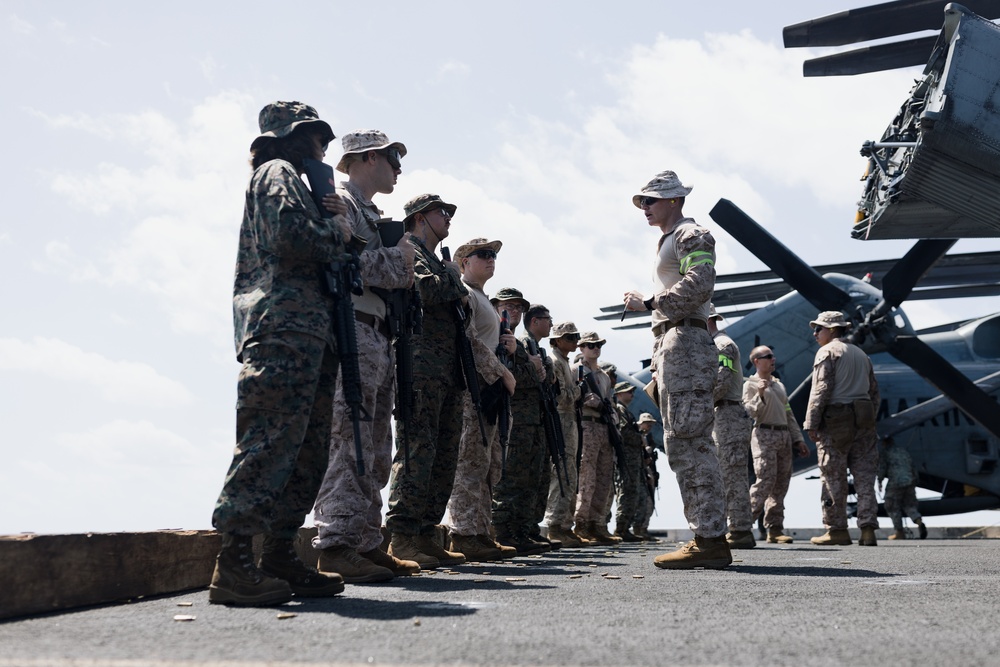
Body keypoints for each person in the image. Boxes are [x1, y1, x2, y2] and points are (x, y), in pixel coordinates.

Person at [210, 101, 350, 606]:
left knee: (308, 451)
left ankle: (277, 554)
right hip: (282, 329)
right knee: (269, 441)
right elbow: (291, 237)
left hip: (311, 333)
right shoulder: (278, 172)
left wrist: (338, 228)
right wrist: (336, 233)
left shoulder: (308, 186)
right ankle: (235, 559)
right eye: (319, 136)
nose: (324, 147)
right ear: (295, 136)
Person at [311, 130, 419, 582]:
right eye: (394, 158)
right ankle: (335, 544)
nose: (399, 168)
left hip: (376, 334)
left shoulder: (368, 213)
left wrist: (397, 263)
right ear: (368, 156)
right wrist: (402, 262)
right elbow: (353, 264)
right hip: (351, 328)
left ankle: (366, 542)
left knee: (374, 445)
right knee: (348, 438)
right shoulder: (340, 202)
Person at [623, 170, 730, 569]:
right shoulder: (669, 240)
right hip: (672, 343)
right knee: (682, 442)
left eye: (651, 201)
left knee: (690, 440)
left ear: (674, 201)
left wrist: (651, 303)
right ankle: (707, 536)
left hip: (684, 340)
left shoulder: (690, 234)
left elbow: (701, 283)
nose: (645, 208)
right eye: (642, 202)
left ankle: (710, 539)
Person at [384, 194, 470, 569]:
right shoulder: (411, 249)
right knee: (417, 450)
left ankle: (425, 531)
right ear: (420, 218)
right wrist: (453, 276)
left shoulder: (435, 258)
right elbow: (429, 290)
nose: (448, 218)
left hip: (447, 370)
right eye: (442, 212)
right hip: (420, 368)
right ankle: (402, 537)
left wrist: (450, 277)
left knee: (443, 451)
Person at [445, 238, 518, 561]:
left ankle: (480, 531)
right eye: (483, 255)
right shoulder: (467, 295)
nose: (491, 260)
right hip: (474, 387)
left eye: (493, 256)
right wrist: (501, 371)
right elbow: (469, 340)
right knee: (470, 463)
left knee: (486, 464)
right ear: (463, 261)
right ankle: (463, 533)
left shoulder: (483, 298)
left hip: (488, 389)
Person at [803, 311, 881, 547]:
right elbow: (875, 393)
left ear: (833, 330)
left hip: (836, 422)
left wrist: (811, 423)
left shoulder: (827, 352)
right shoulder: (862, 354)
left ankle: (837, 529)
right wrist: (868, 418)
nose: (815, 333)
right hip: (864, 420)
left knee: (832, 477)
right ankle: (868, 530)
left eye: (819, 329)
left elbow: (821, 389)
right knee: (865, 478)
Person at [491, 287, 552, 555]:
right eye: (509, 305)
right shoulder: (497, 335)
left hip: (526, 420)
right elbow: (523, 380)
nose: (514, 311)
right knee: (509, 477)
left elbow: (538, 380)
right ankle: (504, 531)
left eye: (519, 307)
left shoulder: (519, 342)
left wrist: (527, 364)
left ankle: (520, 530)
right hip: (507, 416)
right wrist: (527, 364)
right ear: (496, 306)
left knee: (526, 477)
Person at [743, 345, 809, 544]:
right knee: (765, 480)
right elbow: (749, 412)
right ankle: (742, 526)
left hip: (783, 436)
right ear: (757, 361)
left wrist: (798, 439)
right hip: (764, 434)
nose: (773, 359)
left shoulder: (779, 385)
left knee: (781, 484)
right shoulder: (750, 385)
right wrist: (760, 394)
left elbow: (788, 414)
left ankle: (775, 528)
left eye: (773, 356)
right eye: (768, 356)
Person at [708, 305, 755, 549]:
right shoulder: (717, 344)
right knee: (728, 474)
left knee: (732, 475)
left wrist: (701, 403)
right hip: (725, 414)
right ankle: (737, 528)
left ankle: (740, 530)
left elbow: (723, 380)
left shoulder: (721, 345)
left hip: (728, 414)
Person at [572, 331, 620, 545]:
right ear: (581, 348)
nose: (595, 348)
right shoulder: (577, 370)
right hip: (587, 425)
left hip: (604, 428)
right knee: (587, 478)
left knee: (603, 478)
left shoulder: (602, 375)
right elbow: (572, 396)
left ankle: (597, 524)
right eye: (590, 345)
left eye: (598, 344)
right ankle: (581, 524)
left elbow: (610, 402)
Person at [544, 321, 587, 547]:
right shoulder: (555, 362)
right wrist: (579, 389)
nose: (574, 341)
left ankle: (563, 526)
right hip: (561, 419)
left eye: (575, 336)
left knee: (570, 473)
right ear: (558, 339)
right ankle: (554, 526)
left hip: (569, 421)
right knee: (561, 473)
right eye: (570, 337)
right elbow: (562, 396)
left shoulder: (564, 362)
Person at [612, 382, 646, 542]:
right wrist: (640, 439)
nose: (631, 395)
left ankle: (625, 528)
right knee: (626, 493)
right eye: (628, 392)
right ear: (618, 394)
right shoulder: (620, 410)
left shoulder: (627, 411)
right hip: (627, 459)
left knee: (633, 493)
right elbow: (625, 433)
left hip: (633, 460)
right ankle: (620, 528)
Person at [878, 437, 927, 540]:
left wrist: (880, 480)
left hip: (896, 482)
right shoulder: (903, 451)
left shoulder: (886, 452)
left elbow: (882, 468)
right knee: (909, 505)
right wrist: (915, 480)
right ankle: (918, 521)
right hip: (910, 480)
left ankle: (899, 532)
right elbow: (912, 466)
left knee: (891, 505)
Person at [633, 413, 661, 542]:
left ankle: (643, 529)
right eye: (647, 423)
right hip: (638, 472)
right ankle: (638, 528)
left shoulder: (649, 438)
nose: (649, 426)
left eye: (651, 423)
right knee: (640, 502)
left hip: (648, 472)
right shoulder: (636, 436)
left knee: (649, 503)